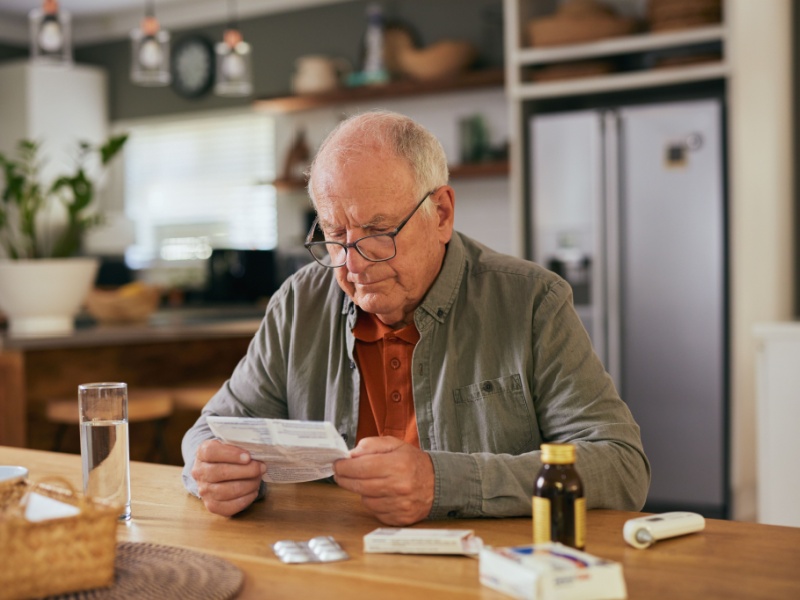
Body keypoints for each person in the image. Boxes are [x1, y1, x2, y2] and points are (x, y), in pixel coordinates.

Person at [182, 110, 650, 525]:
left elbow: (621, 467)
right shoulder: (298, 303)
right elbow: (209, 430)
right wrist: (214, 470)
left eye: (378, 232)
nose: (353, 264)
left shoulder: (531, 301)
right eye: (334, 235)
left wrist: (442, 482)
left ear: (441, 213)